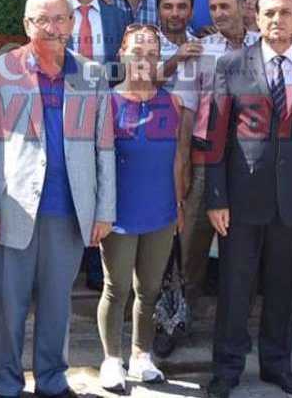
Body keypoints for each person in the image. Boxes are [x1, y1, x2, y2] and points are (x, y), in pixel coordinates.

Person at [0, 0, 116, 398]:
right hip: (10, 212)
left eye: (59, 18)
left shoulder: (91, 75)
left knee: (57, 306)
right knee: (8, 307)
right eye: (41, 19)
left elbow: (105, 147)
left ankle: (52, 382)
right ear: (26, 24)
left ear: (72, 23)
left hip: (68, 212)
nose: (51, 27)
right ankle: (6, 386)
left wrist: (104, 210)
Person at [204, 0, 292, 398]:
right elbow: (216, 135)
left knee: (284, 289)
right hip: (242, 201)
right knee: (235, 289)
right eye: (268, 13)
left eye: (284, 12)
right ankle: (226, 370)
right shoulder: (230, 66)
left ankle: (277, 366)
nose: (276, 20)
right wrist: (216, 198)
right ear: (255, 19)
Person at [97, 24, 192, 393]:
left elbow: (178, 161)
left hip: (161, 211)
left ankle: (142, 355)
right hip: (119, 213)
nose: (145, 58)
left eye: (152, 52)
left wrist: (179, 204)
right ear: (122, 53)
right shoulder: (105, 102)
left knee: (149, 289)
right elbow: (98, 165)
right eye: (137, 50)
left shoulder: (173, 103)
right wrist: (98, 213)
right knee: (116, 287)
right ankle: (111, 360)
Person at [176, 0, 259, 323]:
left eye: (226, 6)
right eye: (214, 8)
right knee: (191, 245)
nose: (220, 13)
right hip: (205, 156)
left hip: (251, 161)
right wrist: (182, 165)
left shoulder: (266, 49)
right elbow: (186, 111)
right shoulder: (200, 51)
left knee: (245, 244)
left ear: (244, 7)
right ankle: (176, 318)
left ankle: (237, 323)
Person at [65, 0, 130, 290]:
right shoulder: (54, 9)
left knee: (100, 180)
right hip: (62, 112)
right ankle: (66, 262)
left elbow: (123, 67)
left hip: (105, 112)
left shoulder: (116, 16)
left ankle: (94, 265)